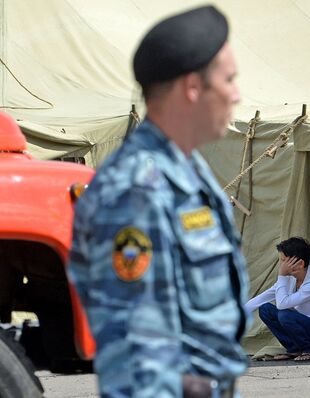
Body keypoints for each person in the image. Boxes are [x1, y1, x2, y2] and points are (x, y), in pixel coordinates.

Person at [68, 6, 249, 398]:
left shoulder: (187, 169)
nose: (237, 94)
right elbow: (138, 360)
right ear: (192, 88)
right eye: (229, 79)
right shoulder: (135, 191)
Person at [245, 237, 310, 361]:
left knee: (285, 315)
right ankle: (294, 349)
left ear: (300, 263)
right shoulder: (291, 278)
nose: (281, 266)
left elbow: (281, 305)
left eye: (284, 261)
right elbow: (263, 297)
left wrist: (281, 276)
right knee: (265, 309)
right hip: (307, 327)